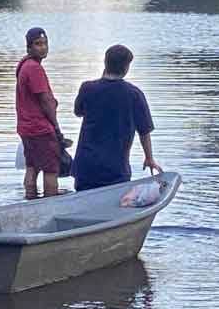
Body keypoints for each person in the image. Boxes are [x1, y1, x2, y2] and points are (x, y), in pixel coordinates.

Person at [72, 44, 161, 191]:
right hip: (115, 170)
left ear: (105, 63)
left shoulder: (87, 88)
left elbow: (78, 112)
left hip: (86, 167)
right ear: (126, 68)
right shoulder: (134, 94)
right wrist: (149, 158)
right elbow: (144, 131)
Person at [16, 27, 66, 199]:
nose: (43, 47)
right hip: (40, 128)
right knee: (51, 169)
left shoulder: (24, 65)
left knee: (32, 166)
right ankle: (50, 202)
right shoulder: (34, 69)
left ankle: (30, 198)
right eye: (38, 44)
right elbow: (45, 100)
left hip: (26, 127)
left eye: (45, 43)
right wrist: (56, 127)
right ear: (29, 47)